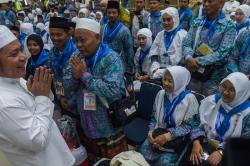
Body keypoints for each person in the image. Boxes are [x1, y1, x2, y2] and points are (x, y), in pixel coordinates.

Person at [0, 25, 75, 166]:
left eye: (21, 50)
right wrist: (42, 97)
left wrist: (40, 95)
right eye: (14, 54)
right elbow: (37, 140)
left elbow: (40, 109)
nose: (23, 56)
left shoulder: (17, 80)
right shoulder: (3, 102)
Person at [70, 18, 127, 160]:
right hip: (86, 124)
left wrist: (84, 75)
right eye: (76, 41)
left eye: (83, 40)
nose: (79, 45)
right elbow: (69, 87)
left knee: (114, 161)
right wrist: (75, 78)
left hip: (107, 127)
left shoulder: (111, 59)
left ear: (97, 38)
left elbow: (112, 90)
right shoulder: (77, 56)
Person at [140, 66, 199, 166]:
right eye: (164, 79)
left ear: (179, 81)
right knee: (143, 152)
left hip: (177, 139)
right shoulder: (161, 94)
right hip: (158, 133)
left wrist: (167, 136)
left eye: (170, 81)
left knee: (164, 162)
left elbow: (188, 126)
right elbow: (154, 117)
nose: (165, 83)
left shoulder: (189, 99)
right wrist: (150, 132)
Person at [189, 72, 250, 166]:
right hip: (204, 145)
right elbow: (196, 122)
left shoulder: (247, 113)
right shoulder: (212, 101)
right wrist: (196, 142)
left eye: (231, 89)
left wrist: (221, 152)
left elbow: (245, 142)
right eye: (224, 86)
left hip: (231, 153)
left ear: (241, 92)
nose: (225, 92)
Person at [183, 0, 236, 96]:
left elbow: (222, 53)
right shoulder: (197, 22)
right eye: (205, 1)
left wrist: (198, 60)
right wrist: (188, 57)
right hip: (194, 71)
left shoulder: (229, 25)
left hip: (214, 77)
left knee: (209, 105)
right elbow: (187, 42)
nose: (206, 4)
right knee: (192, 99)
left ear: (221, 3)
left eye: (210, 1)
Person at [49, 17, 78, 117]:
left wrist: (72, 101)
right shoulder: (52, 53)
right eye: (52, 34)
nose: (55, 38)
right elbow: (56, 77)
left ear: (68, 34)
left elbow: (83, 82)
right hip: (63, 101)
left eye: (59, 34)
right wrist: (60, 97)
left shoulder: (77, 53)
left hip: (79, 103)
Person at [150, 7, 187, 79]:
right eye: (163, 20)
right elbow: (154, 52)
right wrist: (156, 68)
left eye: (168, 19)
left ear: (175, 19)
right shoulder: (160, 34)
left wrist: (169, 71)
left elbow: (184, 58)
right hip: (160, 73)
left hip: (177, 74)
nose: (165, 23)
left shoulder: (183, 35)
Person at [101, 0, 134, 73]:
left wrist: (129, 69)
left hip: (119, 65)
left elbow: (129, 51)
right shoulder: (103, 28)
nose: (111, 15)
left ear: (118, 14)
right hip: (103, 63)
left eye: (114, 13)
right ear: (106, 14)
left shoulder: (124, 30)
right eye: (109, 13)